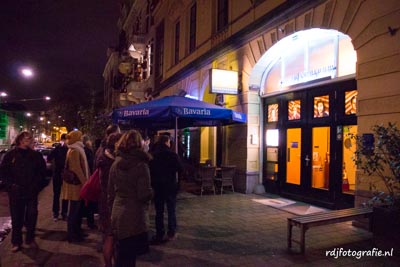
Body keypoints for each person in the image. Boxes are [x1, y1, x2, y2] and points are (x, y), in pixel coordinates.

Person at [108, 130, 153, 267]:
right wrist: (152, 192)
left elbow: (110, 191)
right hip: (135, 216)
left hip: (118, 212)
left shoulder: (116, 163)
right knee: (129, 256)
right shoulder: (141, 166)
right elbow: (143, 195)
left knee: (121, 255)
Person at [0, 131, 46, 252]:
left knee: (31, 216)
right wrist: (11, 186)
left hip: (31, 192)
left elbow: (42, 173)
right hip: (16, 193)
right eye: (27, 138)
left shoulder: (36, 156)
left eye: (31, 138)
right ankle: (16, 242)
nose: (30, 139)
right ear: (20, 140)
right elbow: (4, 173)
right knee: (17, 218)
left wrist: (37, 186)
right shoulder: (10, 156)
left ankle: (30, 239)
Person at [149, 135, 183, 244]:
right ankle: (171, 231)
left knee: (159, 211)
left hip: (158, 186)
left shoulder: (153, 155)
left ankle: (160, 233)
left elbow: (150, 171)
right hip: (170, 186)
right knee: (171, 209)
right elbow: (181, 169)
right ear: (167, 142)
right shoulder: (172, 155)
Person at [96, 132, 122, 267]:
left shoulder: (102, 157)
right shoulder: (115, 162)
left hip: (103, 201)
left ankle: (108, 265)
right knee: (114, 239)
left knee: (107, 236)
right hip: (113, 202)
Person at [61, 130, 89, 243]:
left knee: (77, 211)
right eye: (80, 136)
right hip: (75, 186)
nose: (82, 138)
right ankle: (72, 235)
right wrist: (85, 182)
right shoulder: (74, 150)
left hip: (76, 185)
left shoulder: (75, 149)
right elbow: (76, 168)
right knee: (74, 211)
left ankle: (77, 232)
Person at [47, 133, 69, 221]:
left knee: (63, 195)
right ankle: (58, 213)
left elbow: (49, 158)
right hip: (59, 174)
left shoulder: (64, 149)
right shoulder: (60, 149)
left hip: (61, 174)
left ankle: (61, 213)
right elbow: (49, 158)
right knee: (58, 194)